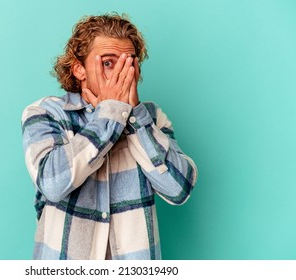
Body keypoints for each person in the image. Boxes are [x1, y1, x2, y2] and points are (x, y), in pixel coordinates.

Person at [21, 13, 198, 260]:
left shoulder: (152, 117)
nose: (121, 73)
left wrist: (134, 117)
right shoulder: (45, 113)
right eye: (108, 62)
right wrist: (110, 115)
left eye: (129, 63)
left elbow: (179, 189)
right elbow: (52, 183)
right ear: (79, 69)